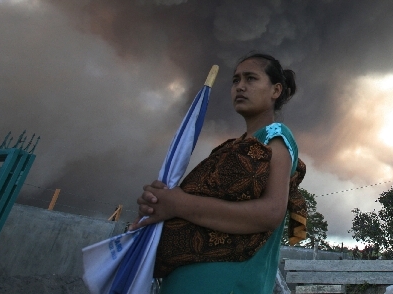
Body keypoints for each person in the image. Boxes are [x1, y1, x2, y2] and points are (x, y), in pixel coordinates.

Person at [130, 53, 305, 294]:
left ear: (276, 90)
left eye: (251, 78)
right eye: (235, 80)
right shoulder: (230, 148)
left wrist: (179, 204)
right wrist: (160, 204)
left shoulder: (275, 137)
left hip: (227, 283)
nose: (240, 86)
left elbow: (271, 212)